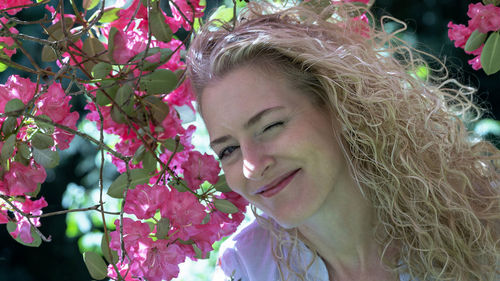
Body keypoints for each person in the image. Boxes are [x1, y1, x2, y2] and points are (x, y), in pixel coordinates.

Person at [186, 1, 500, 280]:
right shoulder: (246, 268)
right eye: (228, 150)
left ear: (339, 106)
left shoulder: (482, 221)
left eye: (270, 126)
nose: (252, 167)